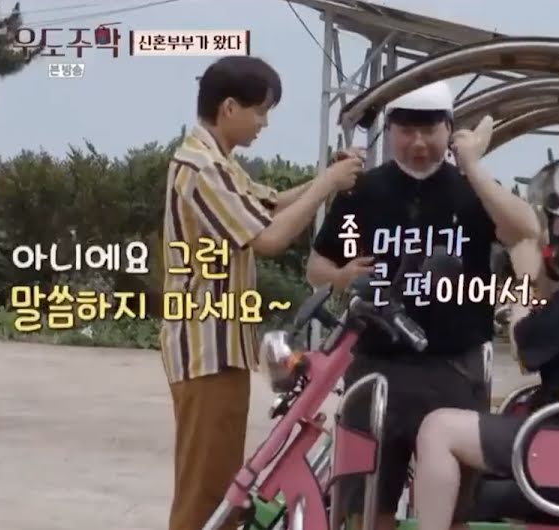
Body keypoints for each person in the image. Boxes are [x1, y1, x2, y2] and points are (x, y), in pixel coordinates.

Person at [307, 80, 540, 530]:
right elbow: (317, 265)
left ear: (449, 130)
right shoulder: (363, 191)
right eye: (406, 130)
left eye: (429, 130)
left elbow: (525, 231)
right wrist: (339, 277)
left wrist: (474, 166)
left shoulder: (473, 191)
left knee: (452, 510)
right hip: (375, 366)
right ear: (391, 130)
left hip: (454, 368)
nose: (417, 143)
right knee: (366, 507)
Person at [160, 55, 363, 530]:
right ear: (230, 107)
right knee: (206, 494)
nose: (264, 124)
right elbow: (268, 237)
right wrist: (327, 185)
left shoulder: (219, 163)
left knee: (223, 487)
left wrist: (327, 180)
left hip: (222, 348)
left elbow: (269, 203)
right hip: (205, 349)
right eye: (261, 111)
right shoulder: (199, 168)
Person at [410, 159, 559, 530]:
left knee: (437, 429)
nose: (551, 234)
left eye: (556, 223)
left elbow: (524, 350)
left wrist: (521, 287)